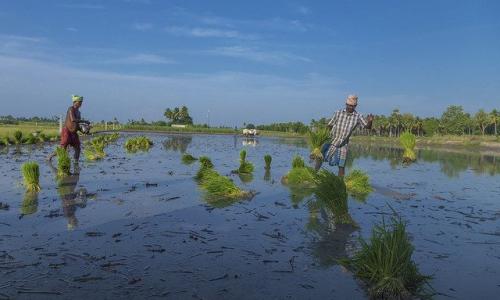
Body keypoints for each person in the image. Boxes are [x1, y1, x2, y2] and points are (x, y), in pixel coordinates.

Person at [319, 94, 373, 176]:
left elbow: (367, 127)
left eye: (353, 106)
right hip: (331, 140)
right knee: (319, 157)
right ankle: (314, 173)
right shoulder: (338, 113)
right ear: (346, 104)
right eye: (349, 105)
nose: (351, 107)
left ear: (356, 106)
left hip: (343, 144)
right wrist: (322, 137)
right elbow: (329, 125)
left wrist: (370, 121)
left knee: (342, 165)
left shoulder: (358, 116)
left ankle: (340, 182)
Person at [48, 95, 89, 161]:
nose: (81, 104)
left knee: (78, 148)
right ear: (74, 102)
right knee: (62, 149)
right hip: (66, 131)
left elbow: (77, 125)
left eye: (81, 102)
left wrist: (84, 130)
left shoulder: (79, 112)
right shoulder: (71, 109)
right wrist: (85, 121)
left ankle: (76, 162)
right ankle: (50, 156)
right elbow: (73, 119)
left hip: (74, 133)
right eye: (79, 102)